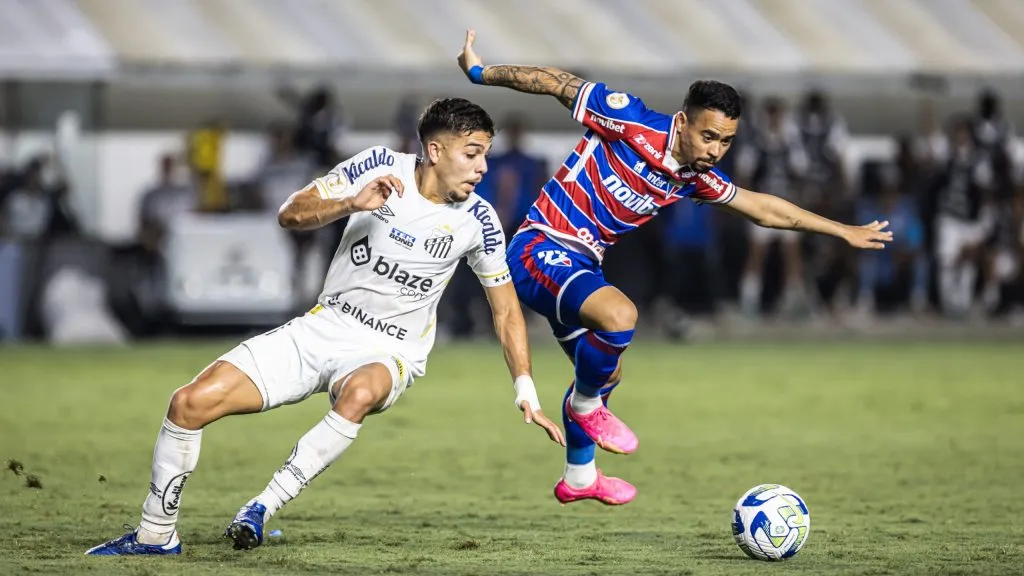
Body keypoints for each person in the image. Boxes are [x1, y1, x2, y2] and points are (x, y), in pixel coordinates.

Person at [85, 98, 565, 556]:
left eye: (485, 154)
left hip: (391, 350)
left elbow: (505, 311)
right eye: (473, 153)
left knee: (358, 392)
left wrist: (526, 388)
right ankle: (155, 535)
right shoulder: (378, 166)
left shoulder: (479, 220)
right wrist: (350, 204)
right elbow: (289, 214)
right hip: (323, 327)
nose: (483, 167)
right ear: (435, 151)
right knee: (188, 404)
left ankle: (261, 507)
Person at [457, 29, 892, 505]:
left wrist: (843, 230)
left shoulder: (695, 177)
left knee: (608, 372)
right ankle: (586, 408)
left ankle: (579, 478)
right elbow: (556, 82)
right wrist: (482, 73)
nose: (714, 150)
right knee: (620, 317)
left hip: (580, 262)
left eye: (725, 142)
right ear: (682, 121)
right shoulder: (628, 119)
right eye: (708, 136)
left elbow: (766, 210)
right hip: (538, 245)